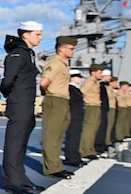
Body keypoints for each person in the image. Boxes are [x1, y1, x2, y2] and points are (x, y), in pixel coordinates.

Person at [0, 21, 46, 194]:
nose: (40, 38)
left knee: (21, 145)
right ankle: (11, 181)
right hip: (19, 105)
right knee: (14, 144)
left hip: (27, 105)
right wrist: (10, 95)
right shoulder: (18, 54)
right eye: (37, 34)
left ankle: (20, 177)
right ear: (25, 35)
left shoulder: (28, 54)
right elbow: (7, 80)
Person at [40, 37, 78, 177]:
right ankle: (52, 168)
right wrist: (48, 94)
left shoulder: (63, 64)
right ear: (61, 49)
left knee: (58, 136)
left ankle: (56, 165)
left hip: (62, 101)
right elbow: (44, 83)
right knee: (51, 136)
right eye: (71, 48)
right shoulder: (55, 64)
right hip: (55, 100)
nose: (73, 51)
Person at [79, 62, 104, 159]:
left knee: (93, 130)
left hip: (96, 106)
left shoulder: (96, 82)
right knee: (88, 130)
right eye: (100, 72)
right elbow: (82, 92)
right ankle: (84, 150)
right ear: (93, 72)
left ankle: (90, 149)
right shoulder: (89, 82)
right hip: (90, 106)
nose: (101, 74)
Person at [63, 69, 86, 168]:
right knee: (72, 138)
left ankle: (75, 157)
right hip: (73, 116)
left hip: (77, 115)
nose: (80, 79)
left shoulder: (75, 89)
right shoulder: (70, 88)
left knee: (76, 138)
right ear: (72, 78)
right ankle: (71, 158)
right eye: (78, 77)